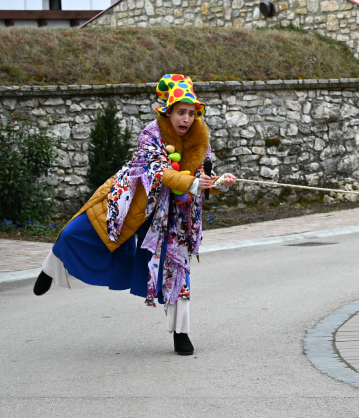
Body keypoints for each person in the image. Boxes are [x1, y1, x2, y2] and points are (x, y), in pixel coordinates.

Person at [33, 74, 237, 355]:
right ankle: (50, 268)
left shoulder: (201, 142)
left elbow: (204, 178)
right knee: (77, 230)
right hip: (132, 201)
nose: (187, 119)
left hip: (173, 216)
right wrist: (192, 182)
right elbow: (158, 172)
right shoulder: (151, 134)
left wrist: (219, 183)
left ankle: (181, 333)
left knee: (177, 269)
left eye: (191, 113)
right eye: (181, 112)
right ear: (168, 111)